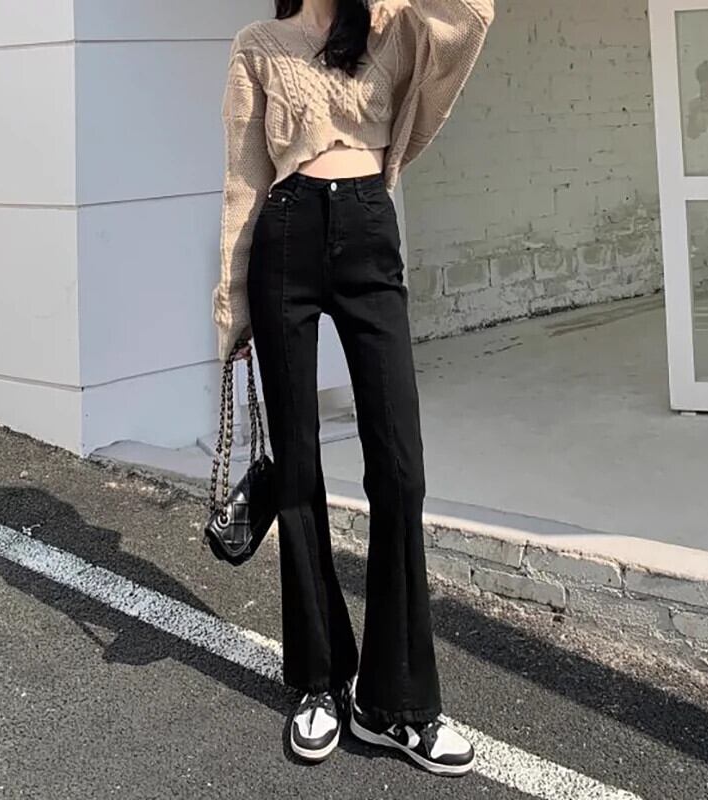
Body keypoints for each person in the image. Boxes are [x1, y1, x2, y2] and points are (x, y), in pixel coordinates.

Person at [212, 0, 494, 776]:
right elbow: (243, 177)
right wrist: (231, 303)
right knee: (297, 472)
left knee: (401, 472)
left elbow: (473, 15)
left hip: (369, 226)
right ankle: (318, 681)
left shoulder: (391, 27)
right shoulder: (258, 45)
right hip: (287, 237)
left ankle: (397, 703)